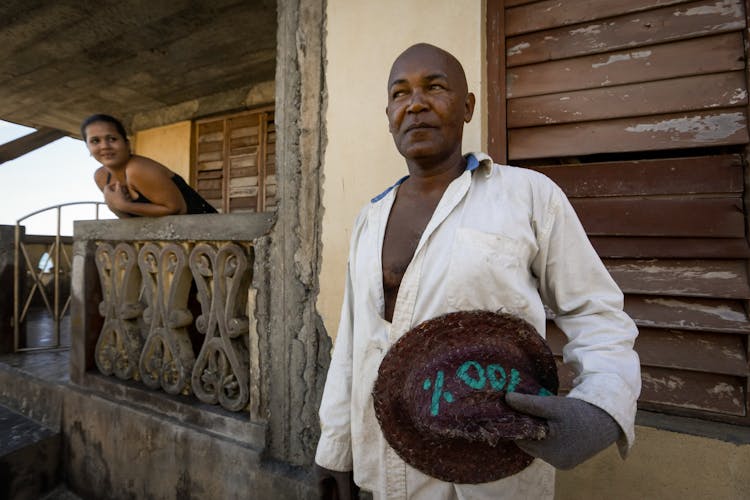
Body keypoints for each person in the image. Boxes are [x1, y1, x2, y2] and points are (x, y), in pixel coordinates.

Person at [314, 43, 641, 500]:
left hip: (495, 463)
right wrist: (336, 451)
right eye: (399, 93)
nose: (416, 103)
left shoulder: (528, 197)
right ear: (388, 113)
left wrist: (602, 405)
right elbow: (352, 342)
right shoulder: (370, 219)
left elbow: (596, 313)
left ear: (467, 106)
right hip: (388, 468)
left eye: (435, 87)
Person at [81, 114, 217, 217]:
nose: (105, 146)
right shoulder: (102, 177)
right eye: (95, 141)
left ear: (127, 144)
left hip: (210, 234)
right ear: (88, 147)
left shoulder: (137, 169)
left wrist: (123, 205)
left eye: (112, 139)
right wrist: (114, 206)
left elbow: (176, 209)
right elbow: (129, 220)